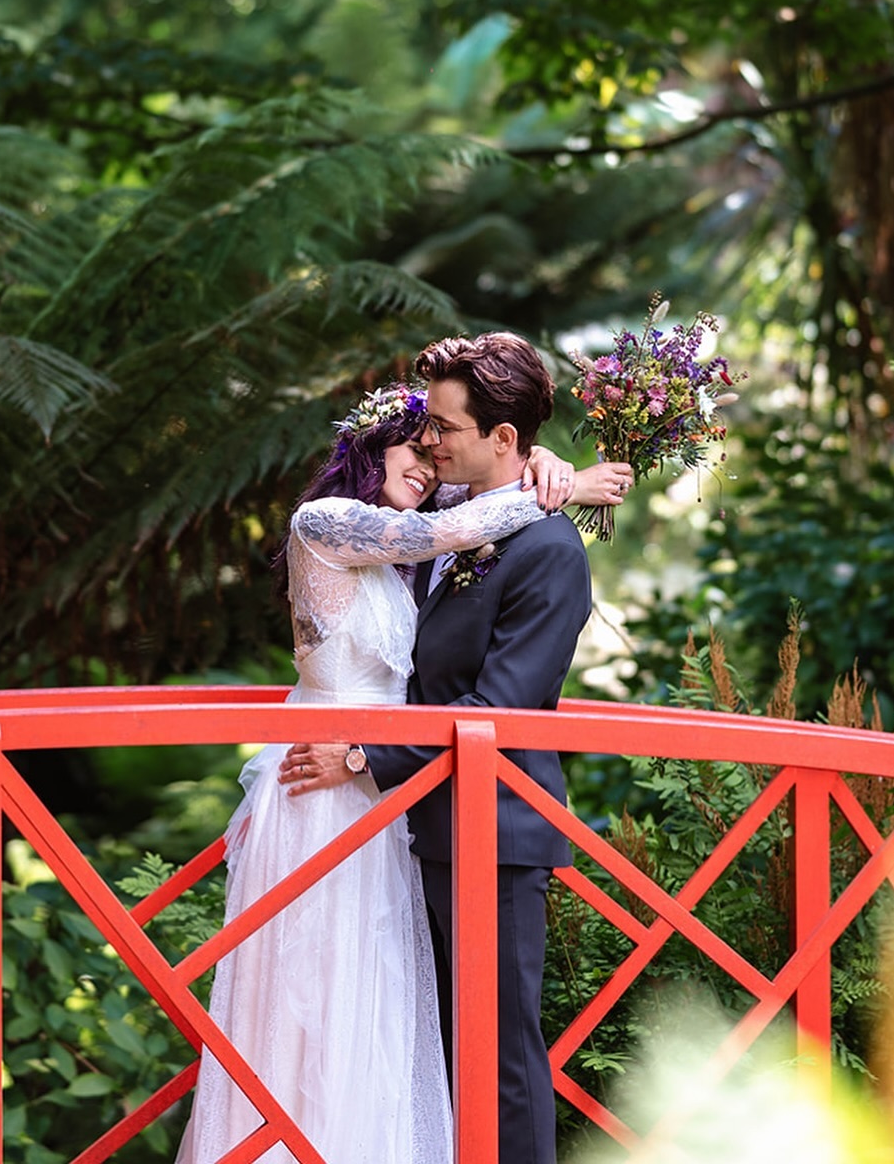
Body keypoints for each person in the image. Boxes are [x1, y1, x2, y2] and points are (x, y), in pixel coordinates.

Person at [174, 378, 629, 1164]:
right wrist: (573, 483)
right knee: (309, 992)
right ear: (367, 445)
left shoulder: (412, 532)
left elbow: (476, 487)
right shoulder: (332, 523)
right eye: (417, 446)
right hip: (323, 782)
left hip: (390, 794)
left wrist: (540, 462)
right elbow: (457, 518)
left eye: (439, 444)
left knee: (387, 999)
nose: (430, 463)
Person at [285, 333, 615, 1164]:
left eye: (445, 430)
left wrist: (364, 758)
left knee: (502, 1056)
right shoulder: (437, 522)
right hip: (418, 828)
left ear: (504, 440)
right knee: (426, 1050)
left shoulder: (549, 551)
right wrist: (559, 473)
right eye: (424, 427)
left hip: (494, 832)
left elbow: (495, 711)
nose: (428, 443)